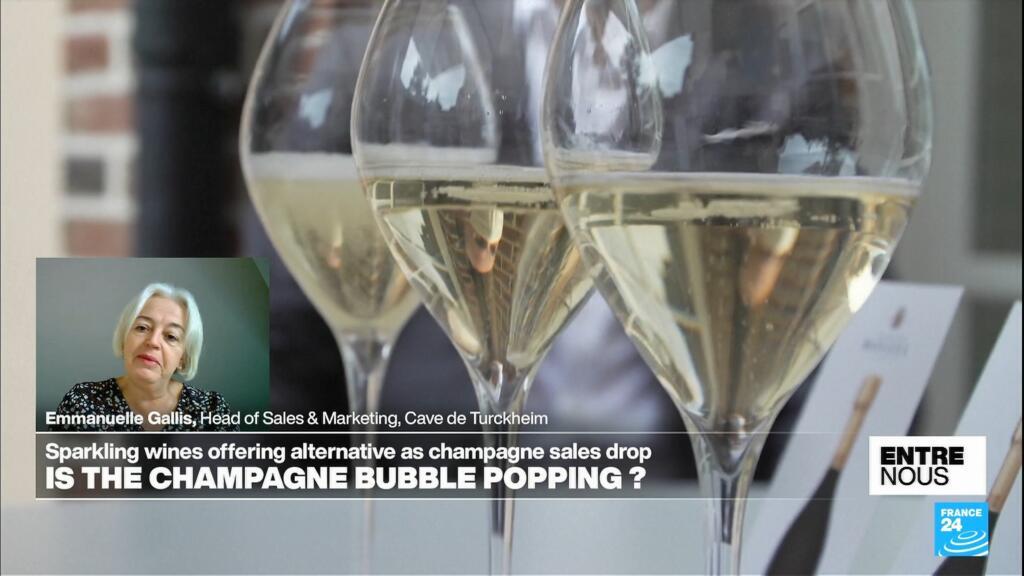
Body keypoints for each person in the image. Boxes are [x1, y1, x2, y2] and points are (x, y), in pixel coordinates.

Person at [51, 283, 238, 432]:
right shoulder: (81, 402)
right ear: (125, 339)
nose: (153, 341)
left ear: (183, 358)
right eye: (142, 327)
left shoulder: (212, 410)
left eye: (171, 336)